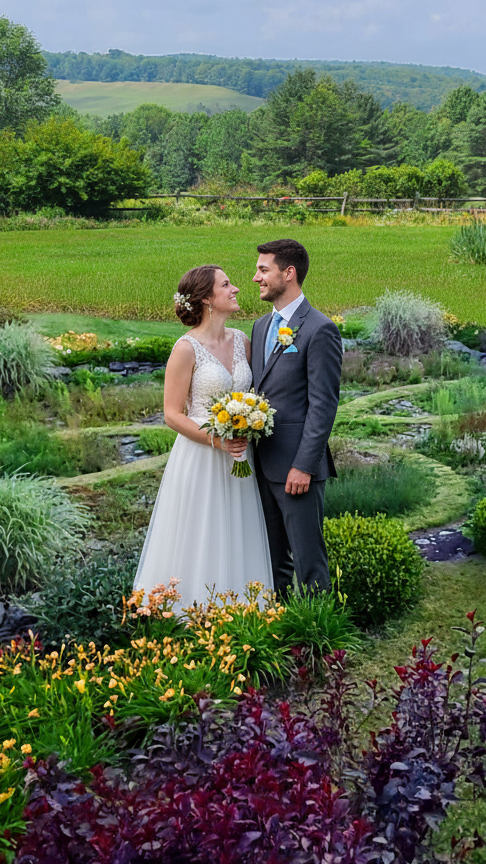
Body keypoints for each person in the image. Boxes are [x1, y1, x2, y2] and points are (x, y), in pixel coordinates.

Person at [133, 265, 272, 608]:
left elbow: (254, 393)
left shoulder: (242, 341)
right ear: (208, 299)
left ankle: (243, 611)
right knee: (201, 535)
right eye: (226, 285)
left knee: (239, 533)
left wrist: (250, 423)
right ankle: (191, 614)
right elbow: (172, 413)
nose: (236, 288)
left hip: (239, 456)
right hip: (202, 456)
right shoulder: (186, 349)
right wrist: (217, 440)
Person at [251, 238, 342, 599]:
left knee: (309, 564)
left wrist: (304, 465)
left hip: (297, 471)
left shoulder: (320, 329)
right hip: (260, 465)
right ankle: (285, 637)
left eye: (263, 270)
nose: (256, 277)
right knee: (273, 563)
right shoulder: (259, 327)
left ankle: (320, 646)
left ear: (288, 274)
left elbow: (323, 406)